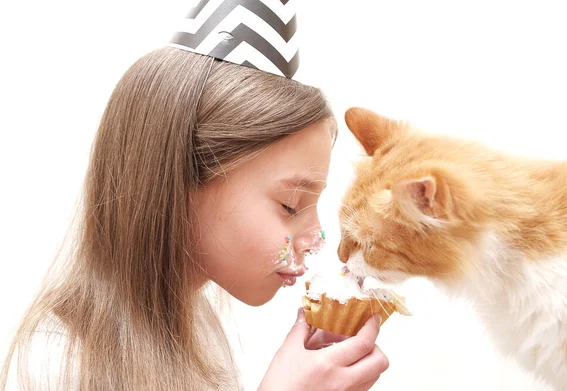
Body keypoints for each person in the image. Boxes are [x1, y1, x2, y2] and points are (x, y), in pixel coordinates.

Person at [1, 1, 389, 390]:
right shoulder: (56, 359)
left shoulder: (200, 327)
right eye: (290, 205)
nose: (317, 240)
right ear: (178, 178)